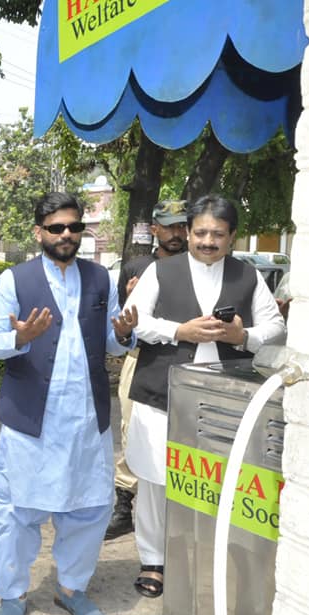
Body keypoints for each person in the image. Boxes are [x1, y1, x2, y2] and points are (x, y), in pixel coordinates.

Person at [0, 192, 137, 615]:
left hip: (86, 417)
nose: (66, 235)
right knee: (18, 512)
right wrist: (22, 337)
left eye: (74, 227)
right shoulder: (14, 280)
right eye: (56, 228)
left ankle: (72, 587)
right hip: (32, 418)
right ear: (39, 233)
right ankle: (12, 595)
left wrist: (124, 334)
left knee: (88, 508)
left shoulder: (99, 277)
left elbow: (109, 341)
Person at [124, 194, 285, 599]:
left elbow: (274, 326)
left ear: (232, 236)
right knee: (156, 479)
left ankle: (204, 558)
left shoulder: (246, 275)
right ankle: (154, 561)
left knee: (214, 479)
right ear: (188, 232)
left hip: (223, 399)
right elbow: (136, 318)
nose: (208, 241)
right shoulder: (161, 271)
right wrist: (180, 331)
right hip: (161, 392)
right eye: (200, 232)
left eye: (218, 234)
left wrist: (242, 336)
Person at [105, 200, 188, 541]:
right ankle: (125, 503)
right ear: (155, 229)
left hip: (186, 359)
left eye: (182, 226)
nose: (176, 233)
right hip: (142, 359)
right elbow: (117, 321)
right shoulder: (137, 267)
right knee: (132, 432)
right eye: (169, 226)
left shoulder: (197, 268)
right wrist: (127, 300)